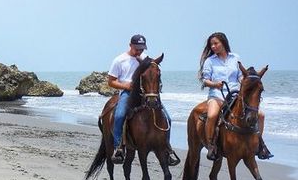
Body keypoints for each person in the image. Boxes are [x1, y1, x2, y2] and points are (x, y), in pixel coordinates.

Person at [198, 32, 273, 161]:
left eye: (216, 43)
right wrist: (215, 84)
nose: (213, 47)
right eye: (211, 45)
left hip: (235, 96)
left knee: (260, 115)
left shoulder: (235, 58)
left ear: (224, 43)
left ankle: (259, 144)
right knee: (211, 115)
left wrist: (244, 82)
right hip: (217, 95)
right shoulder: (210, 61)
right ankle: (211, 145)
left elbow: (239, 76)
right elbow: (205, 80)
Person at [108, 34, 180, 166]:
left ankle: (167, 148)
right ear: (130, 45)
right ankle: (118, 147)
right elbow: (111, 82)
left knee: (167, 118)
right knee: (119, 115)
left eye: (141, 49)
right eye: (137, 48)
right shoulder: (119, 60)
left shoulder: (146, 60)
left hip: (145, 94)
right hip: (127, 93)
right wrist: (125, 85)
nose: (139, 51)